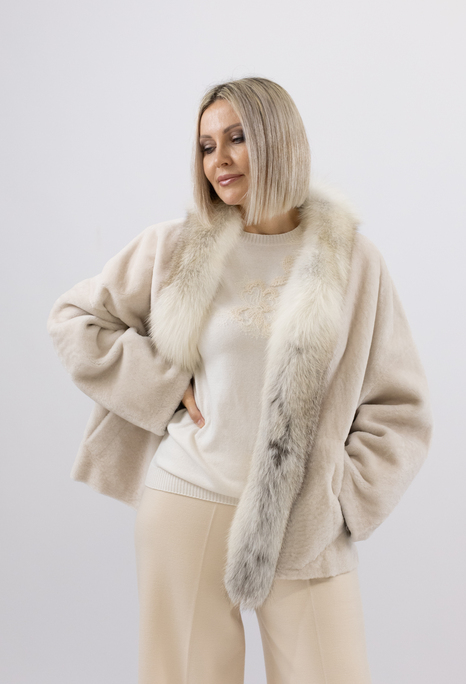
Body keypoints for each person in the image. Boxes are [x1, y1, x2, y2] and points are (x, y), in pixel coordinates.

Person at [47, 77, 433, 684]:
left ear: (278, 140)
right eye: (206, 146)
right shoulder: (176, 247)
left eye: (236, 139)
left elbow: (400, 408)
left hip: (303, 521)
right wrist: (162, 384)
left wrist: (340, 496)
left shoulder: (355, 262)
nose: (218, 160)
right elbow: (74, 319)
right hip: (188, 500)